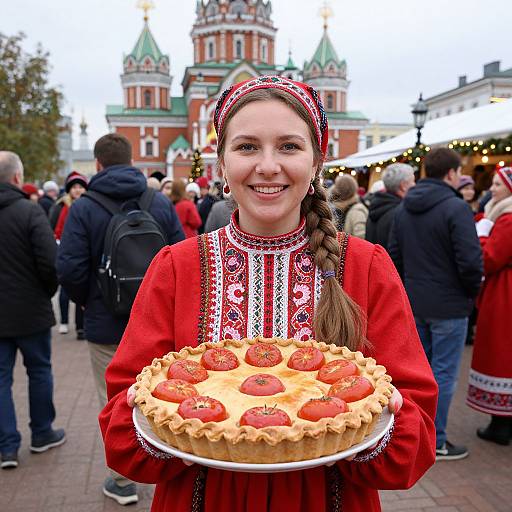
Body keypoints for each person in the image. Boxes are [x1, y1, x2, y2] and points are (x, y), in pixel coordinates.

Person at [99, 76, 437, 512]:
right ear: (221, 164)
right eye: (246, 147)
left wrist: (390, 421)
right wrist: (143, 419)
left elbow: (417, 432)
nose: (268, 165)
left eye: (289, 147)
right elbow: (122, 427)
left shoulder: (366, 266)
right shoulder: (176, 268)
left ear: (317, 162)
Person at [56, 133, 184, 505]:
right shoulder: (158, 201)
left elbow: (70, 268)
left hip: (107, 323)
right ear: (132, 161)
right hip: (160, 325)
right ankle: (177, 461)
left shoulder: (84, 207)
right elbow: (181, 257)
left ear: (97, 165)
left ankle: (123, 481)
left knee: (115, 399)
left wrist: (87, 303)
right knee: (167, 391)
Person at [388, 147, 483, 460]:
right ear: (452, 174)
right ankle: (437, 439)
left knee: (420, 374)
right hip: (449, 304)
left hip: (416, 301)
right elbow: (470, 261)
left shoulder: (404, 209)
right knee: (442, 374)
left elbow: (395, 257)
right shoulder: (455, 208)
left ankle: (417, 435)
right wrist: (471, 294)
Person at [0, 151, 65, 470]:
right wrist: (47, 292)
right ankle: (41, 433)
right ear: (16, 178)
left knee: (0, 379)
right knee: (39, 371)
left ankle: (7, 447)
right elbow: (49, 262)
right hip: (30, 310)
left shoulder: (29, 210)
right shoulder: (29, 211)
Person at [467, 167, 512, 445]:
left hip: (504, 293)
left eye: (497, 184)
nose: (491, 189)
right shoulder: (500, 213)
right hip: (502, 289)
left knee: (501, 352)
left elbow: (489, 257)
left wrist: (481, 234)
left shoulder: (507, 218)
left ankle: (501, 424)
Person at [54, 171, 88, 339]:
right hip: (67, 251)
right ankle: (64, 321)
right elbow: (58, 230)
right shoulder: (64, 207)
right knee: (65, 289)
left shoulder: (89, 205)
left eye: (80, 186)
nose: (77, 190)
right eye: (74, 187)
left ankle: (81, 327)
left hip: (84, 253)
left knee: (84, 290)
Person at [366, 163, 415, 250]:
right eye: (413, 181)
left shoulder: (375, 206)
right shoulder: (401, 213)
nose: (414, 185)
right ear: (403, 186)